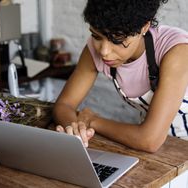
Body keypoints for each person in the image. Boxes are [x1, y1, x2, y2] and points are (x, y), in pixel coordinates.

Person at [53, 0, 188, 153]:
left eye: (117, 39)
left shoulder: (176, 50)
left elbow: (149, 140)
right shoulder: (96, 51)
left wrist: (93, 121)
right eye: (96, 36)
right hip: (156, 147)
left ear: (144, 27)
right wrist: (77, 129)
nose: (104, 51)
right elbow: (64, 105)